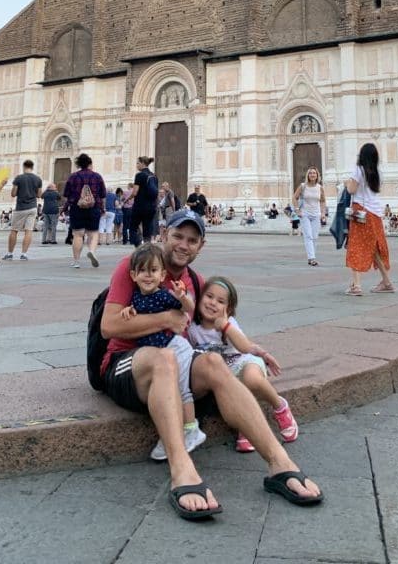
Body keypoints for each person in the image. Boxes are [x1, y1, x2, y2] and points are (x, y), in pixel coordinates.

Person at [99, 209, 322, 520]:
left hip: (174, 369)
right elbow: (108, 327)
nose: (183, 245)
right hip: (127, 364)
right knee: (165, 358)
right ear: (165, 234)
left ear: (200, 246)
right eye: (178, 236)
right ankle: (182, 468)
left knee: (214, 362)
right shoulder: (135, 265)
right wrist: (166, 318)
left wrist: (250, 351)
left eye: (192, 240)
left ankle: (279, 462)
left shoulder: (194, 281)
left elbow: (216, 327)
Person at [187, 275, 298, 454]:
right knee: (232, 395)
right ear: (199, 299)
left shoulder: (229, 323)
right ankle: (247, 427)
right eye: (209, 296)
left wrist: (225, 326)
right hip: (225, 372)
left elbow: (244, 347)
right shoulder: (193, 329)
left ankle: (280, 406)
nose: (213, 303)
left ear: (228, 309)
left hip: (245, 361)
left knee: (252, 379)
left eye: (220, 301)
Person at [120, 243, 205, 459]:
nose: (148, 276)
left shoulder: (164, 294)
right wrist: (128, 310)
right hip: (156, 351)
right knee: (169, 389)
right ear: (133, 275)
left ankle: (190, 429)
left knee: (182, 389)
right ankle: (171, 435)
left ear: (162, 275)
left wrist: (182, 296)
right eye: (142, 271)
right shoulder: (136, 297)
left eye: (153, 271)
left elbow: (189, 308)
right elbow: (135, 311)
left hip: (175, 347)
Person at [344, 143, 394, 296]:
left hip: (361, 212)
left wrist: (347, 184)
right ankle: (386, 282)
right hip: (376, 214)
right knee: (373, 249)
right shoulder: (379, 172)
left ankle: (356, 286)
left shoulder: (359, 170)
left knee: (356, 245)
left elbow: (352, 190)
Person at [63, 153, 106, 268]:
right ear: (90, 164)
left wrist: (66, 207)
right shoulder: (97, 176)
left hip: (77, 208)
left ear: (78, 164)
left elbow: (66, 194)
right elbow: (102, 194)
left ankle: (76, 261)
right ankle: (91, 251)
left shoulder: (73, 177)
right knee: (93, 233)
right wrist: (102, 208)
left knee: (78, 234)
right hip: (94, 207)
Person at [4, 160, 42, 261]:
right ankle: (24, 254)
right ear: (32, 167)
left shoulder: (19, 178)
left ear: (24, 167)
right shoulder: (38, 179)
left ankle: (10, 253)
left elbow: (13, 193)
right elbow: (39, 195)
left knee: (14, 230)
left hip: (21, 207)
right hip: (33, 207)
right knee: (28, 231)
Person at [293, 168, 325, 267]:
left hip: (316, 214)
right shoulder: (303, 186)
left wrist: (323, 213)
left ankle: (312, 256)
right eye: (310, 173)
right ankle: (312, 258)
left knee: (315, 236)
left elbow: (323, 201)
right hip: (305, 214)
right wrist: (297, 210)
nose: (312, 175)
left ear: (317, 175)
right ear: (308, 175)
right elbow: (294, 197)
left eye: (314, 173)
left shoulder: (320, 187)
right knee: (308, 236)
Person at [129, 156, 158, 246]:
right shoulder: (154, 176)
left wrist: (127, 199)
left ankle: (138, 245)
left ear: (142, 163)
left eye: (137, 163)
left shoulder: (139, 175)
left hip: (140, 206)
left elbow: (134, 192)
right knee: (147, 228)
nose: (136, 165)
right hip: (151, 206)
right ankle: (147, 247)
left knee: (133, 227)